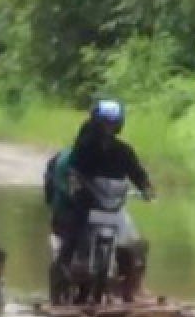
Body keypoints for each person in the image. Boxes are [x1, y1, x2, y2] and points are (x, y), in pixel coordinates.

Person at [52, 100, 155, 301]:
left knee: (134, 243)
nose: (107, 129)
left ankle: (131, 287)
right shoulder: (84, 148)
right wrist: (76, 184)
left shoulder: (123, 150)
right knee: (74, 231)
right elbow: (73, 170)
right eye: (104, 124)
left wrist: (146, 188)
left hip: (113, 204)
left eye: (111, 124)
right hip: (88, 201)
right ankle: (69, 265)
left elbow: (136, 172)